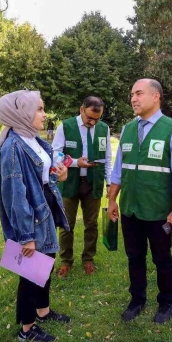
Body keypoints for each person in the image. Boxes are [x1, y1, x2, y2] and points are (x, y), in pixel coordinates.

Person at [107, 79, 172, 324]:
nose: (133, 98)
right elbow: (119, 170)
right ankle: (137, 299)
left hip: (158, 211)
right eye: (131, 94)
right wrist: (112, 200)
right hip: (131, 208)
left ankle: (166, 303)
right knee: (134, 257)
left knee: (162, 259)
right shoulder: (128, 129)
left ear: (156, 97)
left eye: (139, 93)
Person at [0, 90, 71, 342]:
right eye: (39, 109)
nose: (44, 114)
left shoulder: (34, 140)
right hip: (31, 218)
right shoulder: (13, 146)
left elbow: (42, 177)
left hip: (44, 212)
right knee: (31, 273)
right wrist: (25, 236)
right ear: (22, 114)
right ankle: (26, 330)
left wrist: (58, 176)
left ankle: (43, 311)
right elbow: (15, 195)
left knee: (45, 265)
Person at [52, 96, 112, 276]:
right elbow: (55, 154)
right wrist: (75, 163)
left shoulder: (103, 129)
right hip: (69, 182)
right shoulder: (66, 126)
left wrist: (109, 183)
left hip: (93, 183)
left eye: (97, 118)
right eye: (89, 118)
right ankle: (66, 260)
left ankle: (88, 258)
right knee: (66, 224)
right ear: (81, 110)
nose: (93, 122)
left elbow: (107, 158)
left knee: (91, 224)